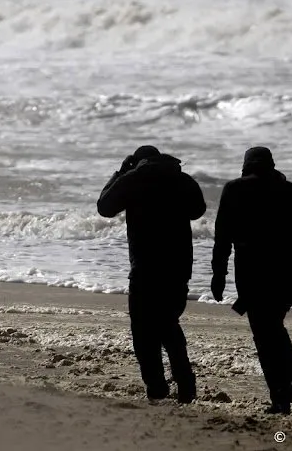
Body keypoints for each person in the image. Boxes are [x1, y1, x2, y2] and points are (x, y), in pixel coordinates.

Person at [210, 146, 292, 414]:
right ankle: (289, 380)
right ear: (272, 165)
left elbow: (222, 236)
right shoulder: (290, 190)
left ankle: (282, 394)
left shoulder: (234, 189)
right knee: (272, 325)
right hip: (286, 268)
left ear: (246, 165)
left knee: (264, 332)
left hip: (251, 269)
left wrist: (219, 274)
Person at [97, 145, 207, 403]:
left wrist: (120, 172)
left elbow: (104, 206)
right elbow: (198, 210)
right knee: (168, 324)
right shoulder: (182, 179)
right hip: (178, 267)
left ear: (137, 162)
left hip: (145, 266)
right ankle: (186, 383)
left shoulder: (133, 179)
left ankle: (157, 388)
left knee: (143, 331)